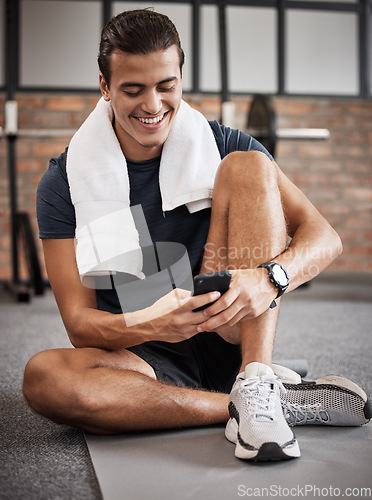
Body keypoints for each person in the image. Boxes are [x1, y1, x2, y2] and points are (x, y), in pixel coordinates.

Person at [23, 9, 370, 462]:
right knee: (45, 379)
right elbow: (80, 325)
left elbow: (325, 237)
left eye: (166, 86)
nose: (152, 105)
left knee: (250, 166)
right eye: (133, 89)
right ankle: (256, 404)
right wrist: (156, 322)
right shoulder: (64, 182)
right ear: (105, 87)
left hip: (225, 324)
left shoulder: (224, 143)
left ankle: (255, 375)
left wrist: (270, 278)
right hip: (140, 356)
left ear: (181, 77)